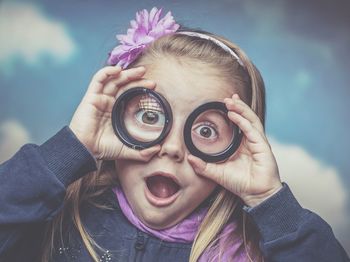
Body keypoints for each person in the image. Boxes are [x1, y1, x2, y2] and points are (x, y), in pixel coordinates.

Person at [0, 7, 348, 262]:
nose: (172, 147)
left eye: (206, 130)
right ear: (117, 118)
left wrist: (270, 202)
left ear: (237, 147)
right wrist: (69, 151)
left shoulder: (244, 251)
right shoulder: (61, 215)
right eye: (151, 116)